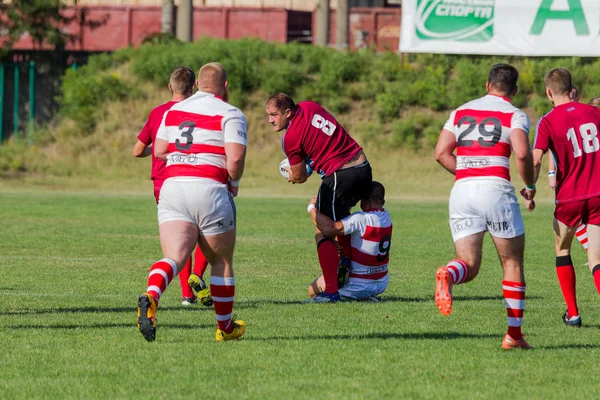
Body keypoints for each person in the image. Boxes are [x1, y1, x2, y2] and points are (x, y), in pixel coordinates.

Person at [137, 62, 247, 342]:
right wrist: (232, 184)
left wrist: (184, 159)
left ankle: (151, 296)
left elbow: (159, 150)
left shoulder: (174, 110)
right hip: (209, 187)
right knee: (221, 261)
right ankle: (225, 328)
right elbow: (234, 159)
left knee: (173, 256)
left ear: (197, 84)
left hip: (172, 188)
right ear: (225, 86)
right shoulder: (230, 112)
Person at [434, 63, 535, 350]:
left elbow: (441, 153)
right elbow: (523, 154)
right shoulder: (515, 115)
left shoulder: (461, 111)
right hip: (496, 190)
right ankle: (514, 337)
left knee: (468, 264)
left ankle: (448, 275)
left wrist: (468, 171)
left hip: (462, 192)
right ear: (514, 90)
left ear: (487, 85)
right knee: (512, 263)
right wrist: (530, 186)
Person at [265, 93, 372, 303]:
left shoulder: (290, 138)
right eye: (268, 115)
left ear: (287, 112)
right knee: (343, 222)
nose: (270, 120)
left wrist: (293, 174)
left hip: (340, 174)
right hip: (363, 167)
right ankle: (348, 265)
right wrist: (312, 162)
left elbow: (300, 176)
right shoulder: (309, 106)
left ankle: (331, 292)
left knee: (323, 228)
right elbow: (322, 140)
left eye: (274, 115)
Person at [133, 66, 212, 307]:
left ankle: (186, 296)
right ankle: (196, 275)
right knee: (206, 231)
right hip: (191, 177)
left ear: (170, 87)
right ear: (194, 87)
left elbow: (137, 151)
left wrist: (161, 152)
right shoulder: (198, 110)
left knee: (179, 236)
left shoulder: (158, 112)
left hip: (162, 183)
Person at [529, 68, 600, 329]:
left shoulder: (547, 121)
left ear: (548, 92)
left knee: (563, 249)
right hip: (598, 194)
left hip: (570, 197)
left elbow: (535, 158)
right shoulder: (594, 112)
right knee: (597, 258)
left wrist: (529, 187)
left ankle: (573, 314)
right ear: (572, 88)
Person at [307, 181, 392, 302]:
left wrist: (311, 208)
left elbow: (329, 229)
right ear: (382, 202)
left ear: (363, 201)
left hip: (358, 285)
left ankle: (337, 294)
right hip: (381, 282)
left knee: (311, 291)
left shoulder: (361, 219)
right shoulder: (386, 217)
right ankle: (365, 298)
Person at [547, 95, 600, 254]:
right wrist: (551, 172)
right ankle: (592, 251)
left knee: (563, 244)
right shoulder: (558, 119)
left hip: (582, 186)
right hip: (575, 182)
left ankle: (593, 253)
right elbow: (552, 148)